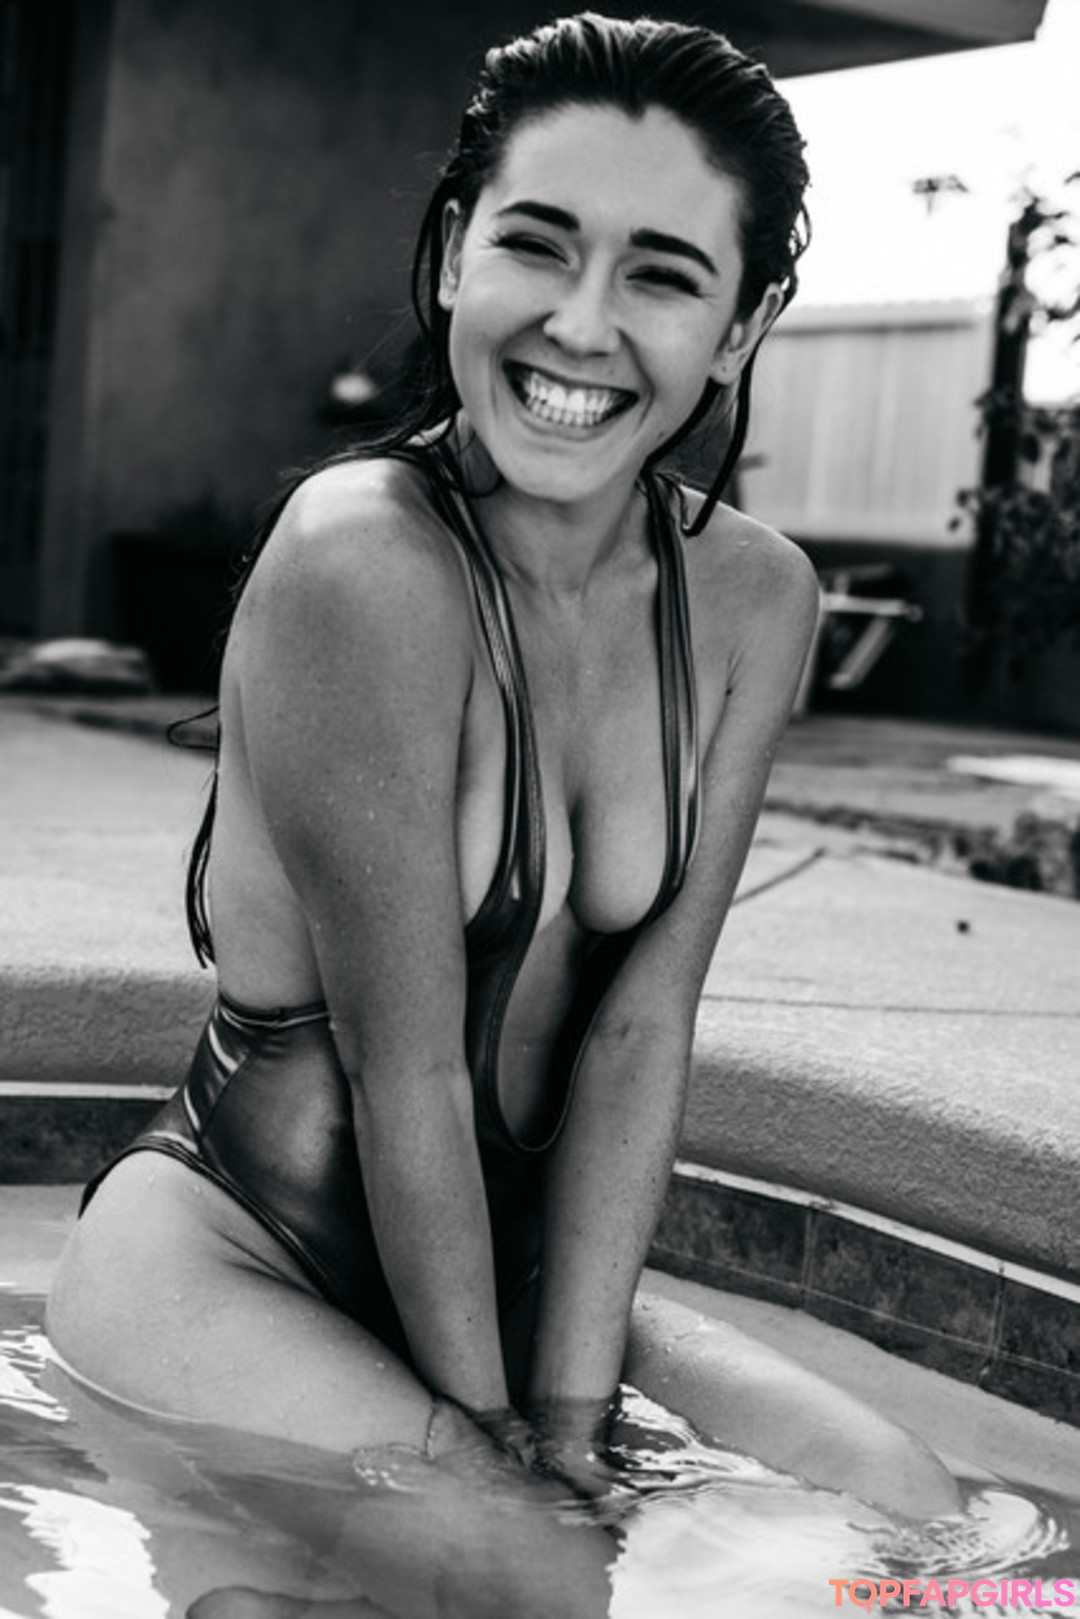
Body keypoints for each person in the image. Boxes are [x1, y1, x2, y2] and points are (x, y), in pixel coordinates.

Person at [47, 13, 960, 1616]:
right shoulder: (361, 557)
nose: (580, 325)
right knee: (527, 1573)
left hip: (511, 1275)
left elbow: (640, 1034)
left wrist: (573, 1411)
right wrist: (498, 1450)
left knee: (921, 1524)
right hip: (237, 1255)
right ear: (460, 249)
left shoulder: (753, 600)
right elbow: (406, 1070)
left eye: (662, 275)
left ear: (742, 326)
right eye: (538, 245)